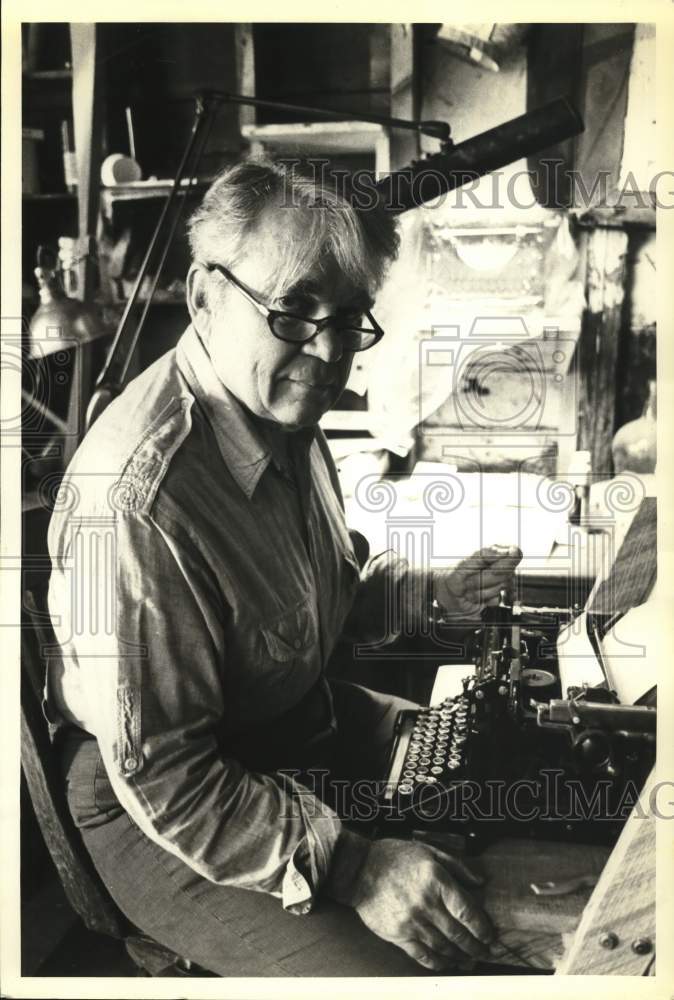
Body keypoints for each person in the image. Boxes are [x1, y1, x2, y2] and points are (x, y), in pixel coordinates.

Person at [47, 160, 522, 976]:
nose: (331, 351)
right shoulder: (137, 504)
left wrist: (435, 593)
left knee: (506, 795)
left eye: (351, 318)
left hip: (295, 720)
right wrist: (358, 866)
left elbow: (318, 600)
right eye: (295, 310)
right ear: (204, 296)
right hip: (168, 800)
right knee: (414, 975)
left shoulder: (281, 414)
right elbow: (167, 775)